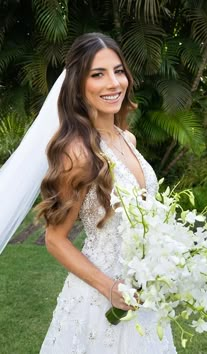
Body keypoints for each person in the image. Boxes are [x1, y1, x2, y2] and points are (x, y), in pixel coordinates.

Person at [2, 32, 178, 353]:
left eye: (118, 70)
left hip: (144, 292)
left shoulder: (128, 139)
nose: (113, 83)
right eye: (98, 74)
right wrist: (110, 288)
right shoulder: (79, 153)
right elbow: (55, 239)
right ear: (79, 85)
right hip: (99, 300)